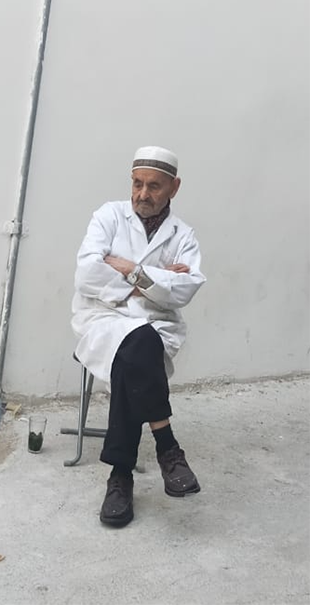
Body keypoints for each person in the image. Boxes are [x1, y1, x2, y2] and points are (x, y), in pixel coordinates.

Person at [71, 146, 206, 527]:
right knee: (138, 345)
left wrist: (128, 269)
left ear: (174, 188)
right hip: (103, 318)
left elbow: (186, 289)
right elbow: (87, 275)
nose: (142, 194)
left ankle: (120, 478)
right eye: (137, 184)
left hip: (155, 324)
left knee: (137, 349)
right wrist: (156, 280)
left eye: (154, 186)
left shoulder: (183, 235)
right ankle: (167, 447)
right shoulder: (109, 216)